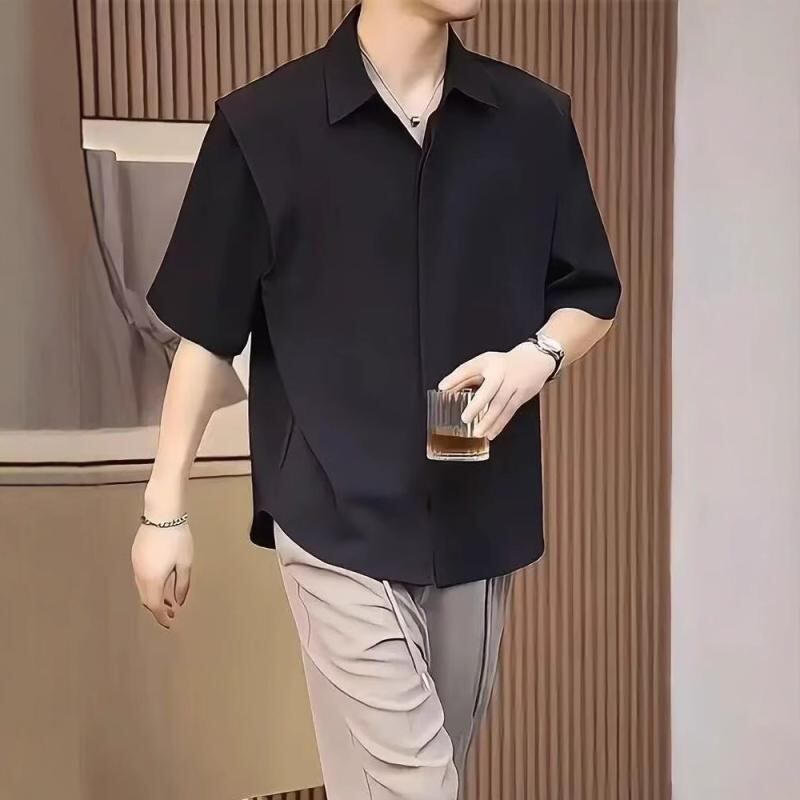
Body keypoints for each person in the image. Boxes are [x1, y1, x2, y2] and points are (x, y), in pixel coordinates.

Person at [131, 1, 622, 798]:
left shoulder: (533, 121)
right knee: (418, 785)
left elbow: (590, 293)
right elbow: (206, 333)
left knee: (417, 776)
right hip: (333, 506)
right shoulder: (265, 126)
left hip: (474, 499)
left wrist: (536, 358)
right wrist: (163, 512)